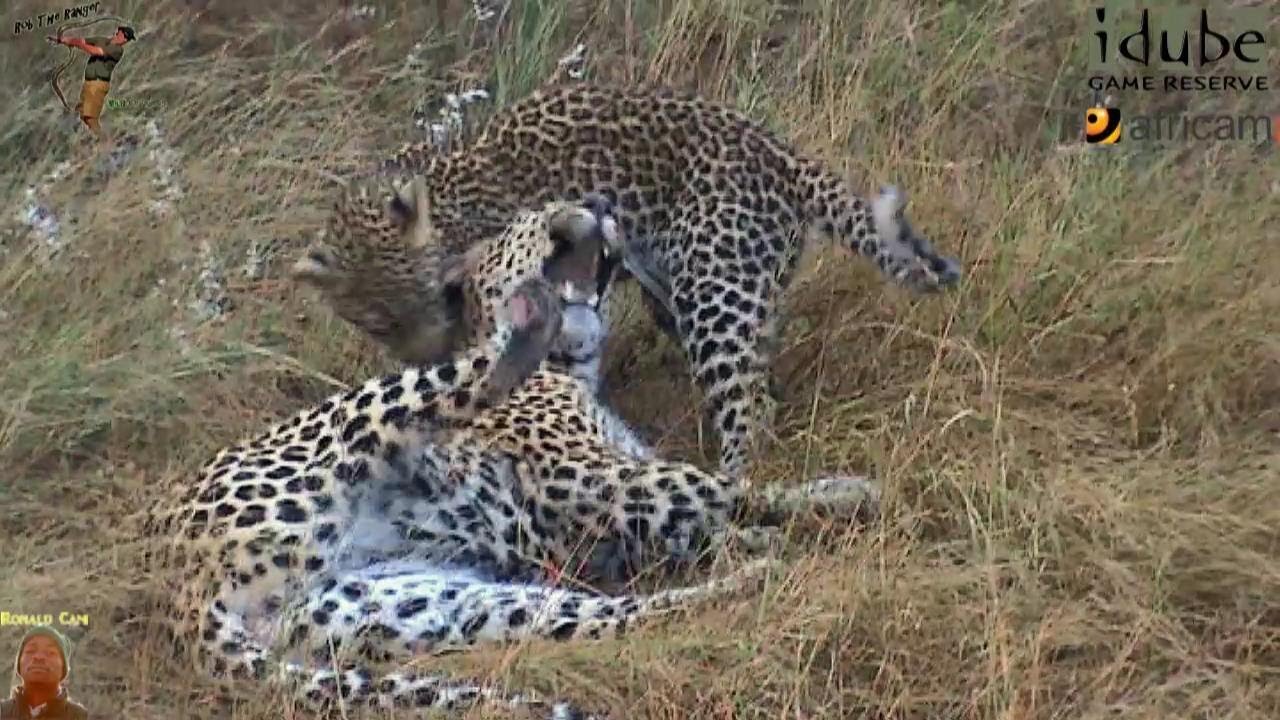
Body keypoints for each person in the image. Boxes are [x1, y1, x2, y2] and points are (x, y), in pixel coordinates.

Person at [46, 25, 136, 140]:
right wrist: (62, 40)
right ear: (119, 32)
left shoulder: (117, 50)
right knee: (81, 114)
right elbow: (82, 40)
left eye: (127, 39)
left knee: (90, 118)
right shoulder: (101, 40)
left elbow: (95, 51)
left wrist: (77, 44)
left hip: (98, 84)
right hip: (89, 83)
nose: (125, 41)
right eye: (126, 36)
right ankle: (87, 142)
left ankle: (106, 144)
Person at [0, 626, 87, 720]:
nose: (38, 657)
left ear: (64, 668)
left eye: (50, 653)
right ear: (19, 666)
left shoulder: (80, 716)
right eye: (30, 651)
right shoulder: (3, 712)